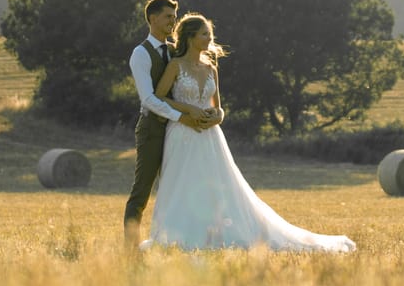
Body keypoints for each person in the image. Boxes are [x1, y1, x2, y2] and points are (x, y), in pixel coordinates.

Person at [143, 13, 355, 253]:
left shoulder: (211, 68)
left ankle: (220, 232)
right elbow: (159, 96)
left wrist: (216, 117)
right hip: (183, 132)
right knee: (182, 183)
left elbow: (219, 107)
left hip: (210, 136)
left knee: (219, 185)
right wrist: (189, 109)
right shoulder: (176, 65)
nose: (209, 38)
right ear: (191, 37)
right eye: (204, 34)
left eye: (209, 34)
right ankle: (179, 234)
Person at [124, 0, 219, 245]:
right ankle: (130, 248)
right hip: (154, 129)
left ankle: (185, 238)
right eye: (167, 16)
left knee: (180, 187)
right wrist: (182, 117)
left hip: (181, 133)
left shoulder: (175, 52)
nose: (172, 22)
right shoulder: (140, 54)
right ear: (153, 18)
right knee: (142, 190)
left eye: (174, 17)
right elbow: (149, 99)